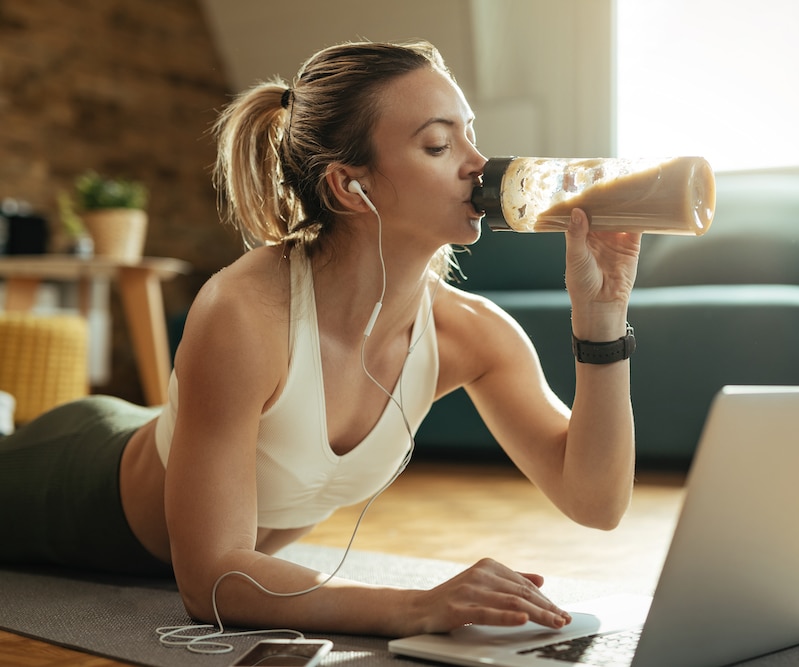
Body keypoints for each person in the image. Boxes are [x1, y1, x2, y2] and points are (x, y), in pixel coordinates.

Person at [0, 40, 640, 639]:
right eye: (439, 145)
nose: (478, 164)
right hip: (67, 483)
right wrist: (416, 606)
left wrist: (602, 318)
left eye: (470, 135)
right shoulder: (245, 313)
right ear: (348, 185)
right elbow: (211, 580)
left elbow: (596, 501)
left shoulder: (469, 333)